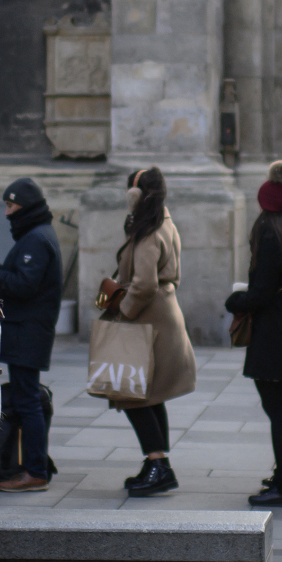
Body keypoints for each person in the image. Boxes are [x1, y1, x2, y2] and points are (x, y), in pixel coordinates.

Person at [103, 167, 196, 498]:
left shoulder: (149, 231)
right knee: (150, 394)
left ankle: (158, 465)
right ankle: (157, 463)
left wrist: (122, 310)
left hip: (146, 319)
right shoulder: (162, 223)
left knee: (133, 394)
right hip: (159, 316)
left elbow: (143, 284)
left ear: (137, 195)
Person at [227, 163, 282, 508]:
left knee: (278, 412)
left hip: (273, 333)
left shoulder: (269, 232)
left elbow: (261, 292)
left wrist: (235, 300)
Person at [0, 176, 65, 493]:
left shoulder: (36, 239)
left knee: (27, 402)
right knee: (27, 398)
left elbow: (24, 285)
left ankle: (35, 471)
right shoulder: (36, 235)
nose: (8, 213)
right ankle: (33, 466)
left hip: (28, 332)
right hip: (26, 331)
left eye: (11, 206)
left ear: (26, 207)